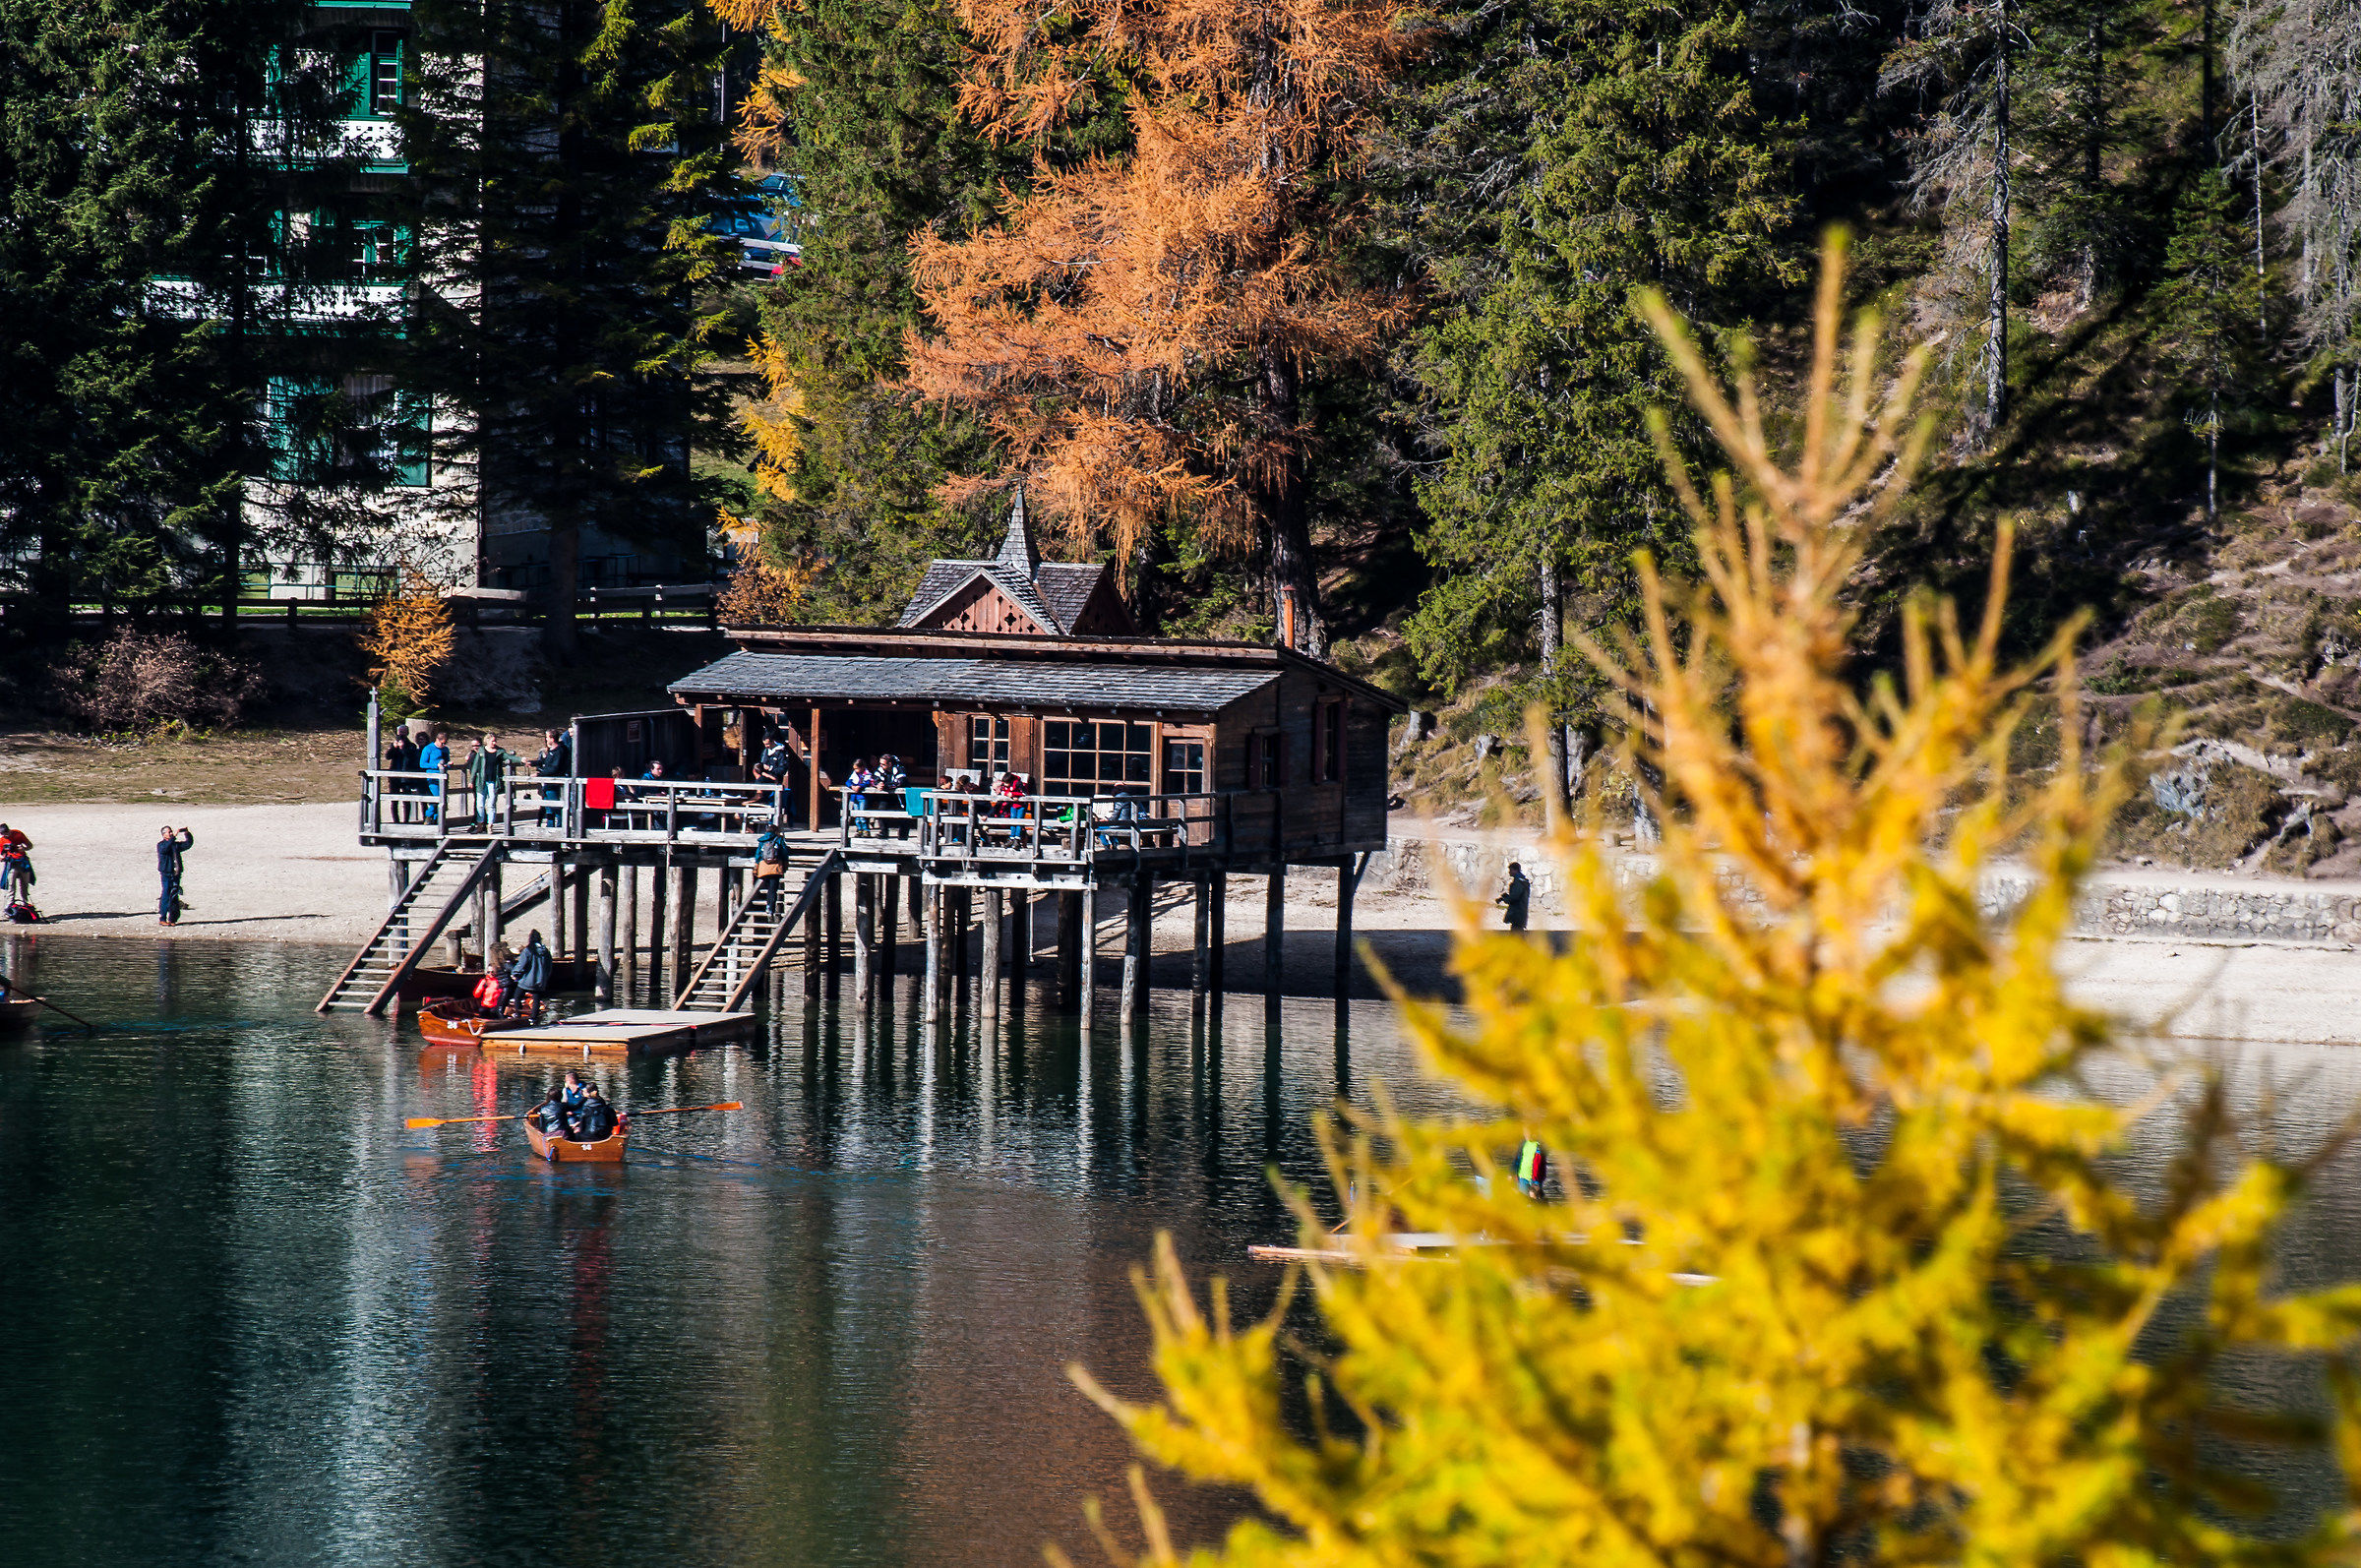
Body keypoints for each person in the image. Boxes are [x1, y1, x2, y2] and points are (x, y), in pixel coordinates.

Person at [466, 734, 524, 827]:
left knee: (491, 804)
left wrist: (521, 759)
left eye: (495, 741)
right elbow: (475, 767)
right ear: (487, 741)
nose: (494, 743)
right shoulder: (481, 751)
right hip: (482, 781)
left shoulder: (499, 752)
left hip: (493, 781)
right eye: (492, 741)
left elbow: (509, 757)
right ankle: (480, 824)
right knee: (480, 804)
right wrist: (471, 781)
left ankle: (490, 825)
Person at [502, 930, 553, 1016]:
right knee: (536, 999)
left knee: (517, 996)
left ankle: (518, 1014)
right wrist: (545, 978)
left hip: (527, 981)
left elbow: (521, 965)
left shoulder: (528, 950)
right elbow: (549, 967)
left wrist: (514, 973)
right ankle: (534, 1018)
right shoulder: (546, 951)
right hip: (540, 981)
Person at [156, 825, 193, 927]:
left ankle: (172, 919)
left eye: (171, 832)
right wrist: (173, 838)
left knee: (174, 896)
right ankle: (162, 918)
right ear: (164, 835)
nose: (171, 833)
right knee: (166, 895)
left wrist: (187, 833)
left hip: (175, 873)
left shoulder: (175, 845)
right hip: (166, 874)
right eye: (169, 832)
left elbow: (188, 844)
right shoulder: (161, 845)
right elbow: (166, 848)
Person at [534, 729, 572, 827]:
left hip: (553, 782)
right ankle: (550, 827)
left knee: (555, 806)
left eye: (547, 737)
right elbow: (545, 762)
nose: (546, 739)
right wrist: (532, 762)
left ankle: (561, 827)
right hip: (547, 782)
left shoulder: (559, 751)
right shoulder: (552, 750)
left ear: (551, 738)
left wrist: (539, 775)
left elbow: (554, 768)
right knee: (548, 807)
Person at [1497, 862, 1531, 934]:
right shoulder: (1522, 881)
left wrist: (1505, 899)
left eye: (1510, 870)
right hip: (1520, 913)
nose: (1509, 872)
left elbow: (1514, 897)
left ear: (1515, 870)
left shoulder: (1518, 882)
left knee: (1516, 936)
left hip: (1517, 914)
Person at [1514, 1136, 1548, 1200]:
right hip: (1523, 1177)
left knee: (1535, 1202)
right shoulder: (1523, 1143)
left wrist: (1536, 1182)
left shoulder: (1540, 1145)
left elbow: (1540, 1166)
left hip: (1535, 1180)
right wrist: (1514, 1172)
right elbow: (1518, 1158)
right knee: (1523, 1201)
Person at [0, 823, 30, 893]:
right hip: (11, 863)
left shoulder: (18, 834)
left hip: (23, 862)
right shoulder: (1, 841)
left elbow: (30, 846)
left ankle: (25, 902)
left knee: (24, 884)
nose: (6, 836)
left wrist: (24, 849)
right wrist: (2, 857)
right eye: (3, 835)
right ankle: (10, 903)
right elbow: (1, 855)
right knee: (10, 885)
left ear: (9, 830)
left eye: (6, 834)